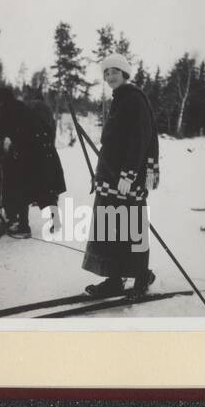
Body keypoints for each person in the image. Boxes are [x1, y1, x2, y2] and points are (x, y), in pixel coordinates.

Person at [82, 54, 161, 298]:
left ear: (125, 73)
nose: (110, 76)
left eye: (114, 71)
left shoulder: (134, 99)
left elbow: (140, 139)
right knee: (109, 229)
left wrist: (128, 174)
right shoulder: (118, 99)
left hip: (125, 179)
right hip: (110, 177)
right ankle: (114, 279)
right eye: (106, 73)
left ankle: (140, 277)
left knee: (132, 228)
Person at [0, 87, 66, 237]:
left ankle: (23, 227)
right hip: (44, 152)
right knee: (46, 189)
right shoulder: (21, 107)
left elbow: (1, 132)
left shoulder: (6, 110)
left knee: (20, 190)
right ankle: (56, 221)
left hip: (29, 155)